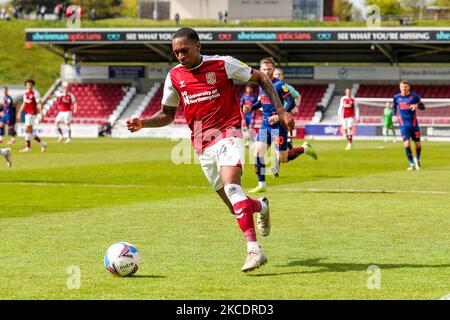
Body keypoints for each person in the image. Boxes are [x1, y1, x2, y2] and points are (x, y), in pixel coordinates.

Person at [126, 28, 295, 272]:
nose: (181, 56)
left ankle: (254, 250)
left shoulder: (222, 64)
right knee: (234, 205)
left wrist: (280, 111)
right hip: (202, 145)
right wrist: (143, 123)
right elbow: (167, 114)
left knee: (232, 186)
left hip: (229, 133)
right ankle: (261, 206)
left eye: (184, 50)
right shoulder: (174, 76)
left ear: (198, 46)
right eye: (176, 52)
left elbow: (262, 79)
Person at [244, 57, 317, 191]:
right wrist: (252, 107)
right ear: (260, 70)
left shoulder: (279, 85)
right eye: (264, 69)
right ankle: (262, 185)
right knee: (258, 152)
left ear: (273, 69)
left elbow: (291, 102)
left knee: (282, 158)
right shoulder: (261, 84)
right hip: (265, 124)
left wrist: (278, 116)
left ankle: (304, 149)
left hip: (279, 125)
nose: (267, 72)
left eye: (269, 69)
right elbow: (262, 101)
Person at [392, 80, 425, 171]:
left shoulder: (414, 96)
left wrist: (416, 106)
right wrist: (394, 115)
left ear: (408, 87)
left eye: (405, 87)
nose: (404, 88)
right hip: (403, 125)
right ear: (400, 87)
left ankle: (417, 159)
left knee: (417, 144)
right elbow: (394, 106)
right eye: (402, 87)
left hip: (414, 124)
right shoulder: (396, 97)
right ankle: (411, 163)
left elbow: (423, 106)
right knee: (406, 144)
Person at [16, 79, 47, 153]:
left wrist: (42, 113)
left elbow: (39, 103)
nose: (28, 86)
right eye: (27, 85)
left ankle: (28, 147)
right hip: (27, 113)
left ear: (33, 85)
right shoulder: (26, 93)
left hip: (32, 113)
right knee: (29, 131)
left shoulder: (35, 93)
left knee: (27, 129)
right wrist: (19, 112)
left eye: (30, 85)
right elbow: (24, 103)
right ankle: (43, 143)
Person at [273, 67, 301, 151]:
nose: (277, 76)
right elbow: (260, 101)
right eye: (275, 74)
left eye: (279, 74)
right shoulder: (267, 87)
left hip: (284, 114)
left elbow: (298, 96)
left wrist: (296, 107)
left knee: (282, 139)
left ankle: (288, 145)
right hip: (273, 115)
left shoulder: (287, 87)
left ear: (282, 76)